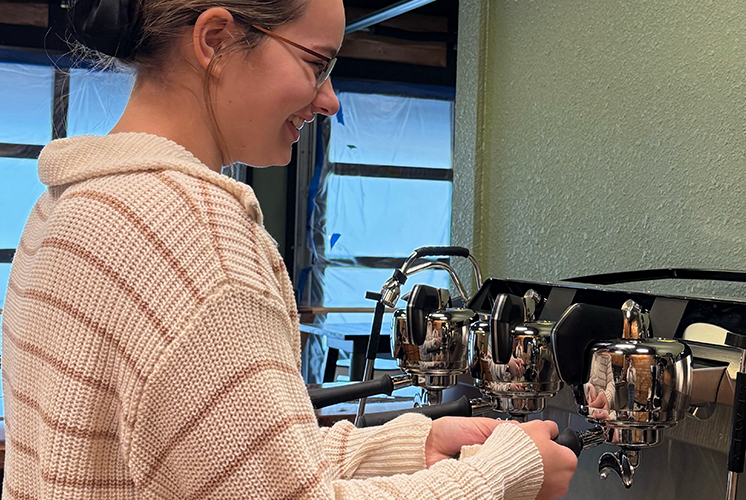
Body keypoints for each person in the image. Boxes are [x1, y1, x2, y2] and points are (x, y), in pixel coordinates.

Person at [0, 0, 578, 498]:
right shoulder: (195, 236)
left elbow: (229, 460)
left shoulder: (67, 206)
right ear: (215, 40)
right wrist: (503, 474)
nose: (330, 100)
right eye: (316, 64)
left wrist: (408, 446)